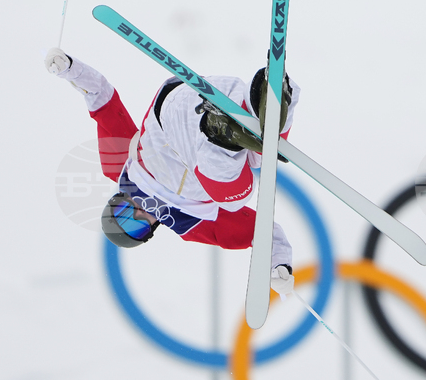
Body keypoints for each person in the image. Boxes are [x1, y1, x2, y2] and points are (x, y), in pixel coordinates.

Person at [46, 46, 300, 298]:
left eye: (124, 214)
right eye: (136, 226)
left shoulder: (118, 167)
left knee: (233, 198)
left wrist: (69, 69)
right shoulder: (189, 226)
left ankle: (219, 134)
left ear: (117, 200)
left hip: (174, 115)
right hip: (217, 96)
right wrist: (279, 266)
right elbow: (261, 230)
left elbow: (103, 99)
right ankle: (270, 96)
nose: (137, 213)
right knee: (261, 157)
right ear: (152, 229)